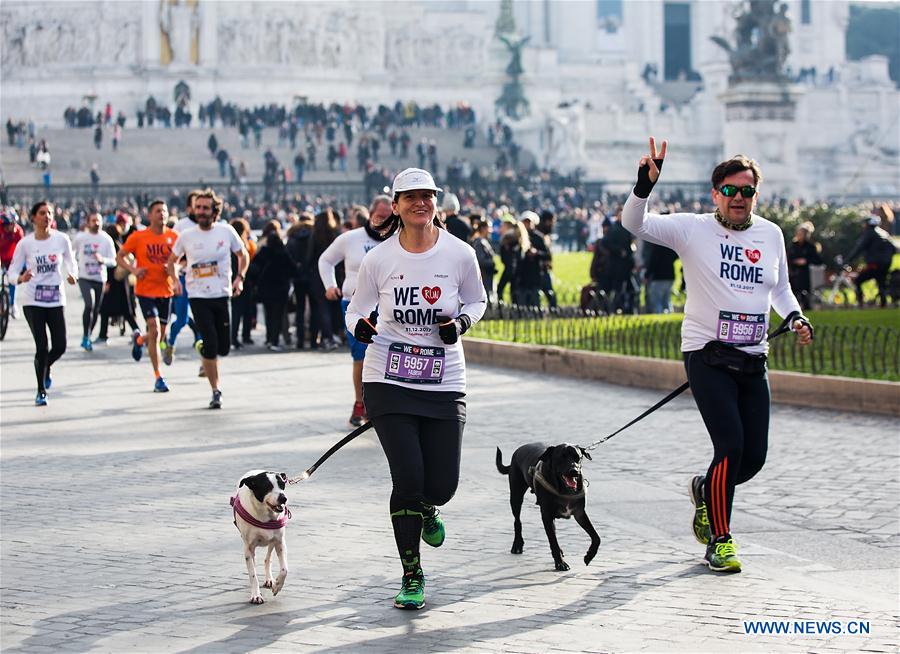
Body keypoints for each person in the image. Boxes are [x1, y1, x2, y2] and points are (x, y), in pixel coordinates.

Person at [622, 138, 812, 573]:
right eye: (730, 191)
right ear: (716, 195)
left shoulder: (771, 234)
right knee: (730, 444)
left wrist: (796, 316)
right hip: (707, 354)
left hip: (752, 355)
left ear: (755, 196)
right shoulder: (693, 228)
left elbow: (779, 287)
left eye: (747, 191)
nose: (739, 198)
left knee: (754, 456)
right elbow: (636, 224)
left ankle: (707, 490)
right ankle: (720, 541)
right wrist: (643, 185)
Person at [345, 167, 487, 610]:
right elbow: (356, 310)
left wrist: (460, 323)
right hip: (388, 377)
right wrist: (363, 328)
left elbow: (478, 300)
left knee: (441, 486)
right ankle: (411, 573)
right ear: (396, 204)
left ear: (436, 203)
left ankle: (429, 507)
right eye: (410, 197)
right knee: (407, 478)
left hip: (443, 380)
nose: (420, 203)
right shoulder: (379, 259)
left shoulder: (460, 254)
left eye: (427, 196)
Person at [167, 189, 248, 409]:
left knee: (223, 348)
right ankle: (216, 390)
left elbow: (243, 255)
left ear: (214, 211)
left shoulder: (226, 231)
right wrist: (175, 280)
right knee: (212, 345)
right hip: (197, 295)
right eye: (198, 208)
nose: (201, 212)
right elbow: (171, 261)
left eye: (205, 208)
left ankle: (203, 348)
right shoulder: (187, 235)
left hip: (221, 294)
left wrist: (240, 278)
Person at [318, 194, 393, 425]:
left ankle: (380, 405)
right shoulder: (350, 238)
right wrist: (329, 285)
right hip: (355, 306)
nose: (384, 222)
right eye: (380, 217)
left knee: (386, 357)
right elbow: (326, 260)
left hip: (388, 308)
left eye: (390, 218)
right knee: (360, 356)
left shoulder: (399, 241)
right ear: (370, 215)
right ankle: (360, 403)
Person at [9, 201, 78, 406]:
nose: (46, 216)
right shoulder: (26, 243)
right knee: (42, 346)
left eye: (49, 213)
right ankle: (41, 390)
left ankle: (46, 366)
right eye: (42, 213)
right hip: (33, 300)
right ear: (33, 218)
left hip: (56, 299)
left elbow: (71, 262)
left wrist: (73, 274)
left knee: (60, 345)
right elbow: (13, 271)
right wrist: (21, 279)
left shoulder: (62, 239)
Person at [117, 200, 177, 393]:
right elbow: (120, 256)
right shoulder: (139, 237)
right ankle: (158, 376)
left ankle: (140, 341)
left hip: (165, 290)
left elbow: (183, 260)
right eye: (158, 211)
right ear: (150, 215)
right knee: (155, 330)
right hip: (145, 290)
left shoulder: (174, 237)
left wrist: (175, 274)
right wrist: (134, 269)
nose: (162, 214)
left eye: (164, 211)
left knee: (160, 334)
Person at [165, 190, 203, 365]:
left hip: (204, 280)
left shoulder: (212, 226)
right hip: (184, 278)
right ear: (189, 208)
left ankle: (205, 360)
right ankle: (170, 343)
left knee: (205, 319)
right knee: (181, 319)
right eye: (196, 206)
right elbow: (171, 254)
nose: (200, 210)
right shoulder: (181, 226)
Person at [72, 212, 116, 350]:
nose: (96, 223)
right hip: (84, 277)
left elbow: (113, 260)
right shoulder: (81, 238)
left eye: (98, 221)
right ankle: (86, 335)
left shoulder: (106, 239)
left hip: (99, 278)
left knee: (96, 309)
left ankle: (88, 335)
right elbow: (70, 253)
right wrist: (74, 267)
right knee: (89, 305)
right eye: (93, 220)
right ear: (88, 222)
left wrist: (103, 260)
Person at [247, 222, 294, 351]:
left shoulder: (263, 252)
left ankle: (269, 338)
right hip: (281, 289)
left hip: (266, 289)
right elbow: (292, 269)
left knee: (268, 315)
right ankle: (274, 340)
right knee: (277, 316)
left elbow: (253, 269)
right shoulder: (283, 253)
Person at [844, 211, 897, 308]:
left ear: (867, 225)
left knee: (858, 280)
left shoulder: (869, 234)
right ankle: (883, 304)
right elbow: (894, 249)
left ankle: (860, 303)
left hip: (874, 264)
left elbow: (858, 249)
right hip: (886, 264)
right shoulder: (884, 233)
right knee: (881, 283)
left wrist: (847, 260)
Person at [787, 221, 822, 311]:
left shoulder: (811, 247)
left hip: (804, 273)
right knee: (793, 292)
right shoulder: (793, 246)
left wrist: (806, 261)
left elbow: (818, 260)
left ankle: (806, 308)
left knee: (804, 294)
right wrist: (795, 262)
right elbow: (788, 258)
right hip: (793, 273)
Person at [1, 209, 25, 319]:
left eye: (13, 224)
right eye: (9, 224)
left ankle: (12, 304)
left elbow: (23, 249)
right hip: (1, 257)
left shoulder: (18, 232)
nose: (11, 227)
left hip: (12, 259)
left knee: (12, 279)